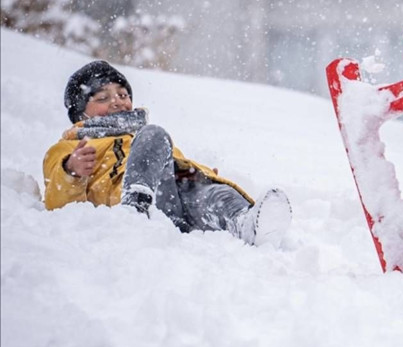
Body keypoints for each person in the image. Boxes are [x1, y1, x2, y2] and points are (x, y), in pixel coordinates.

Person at [43, 60, 292, 246]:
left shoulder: (139, 135)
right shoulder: (70, 146)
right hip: (139, 204)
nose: (118, 101)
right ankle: (135, 208)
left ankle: (245, 223)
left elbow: (173, 162)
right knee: (154, 135)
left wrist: (200, 174)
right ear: (80, 112)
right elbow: (56, 202)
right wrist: (71, 171)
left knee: (216, 194)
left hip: (174, 198)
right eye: (103, 97)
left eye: (122, 94)